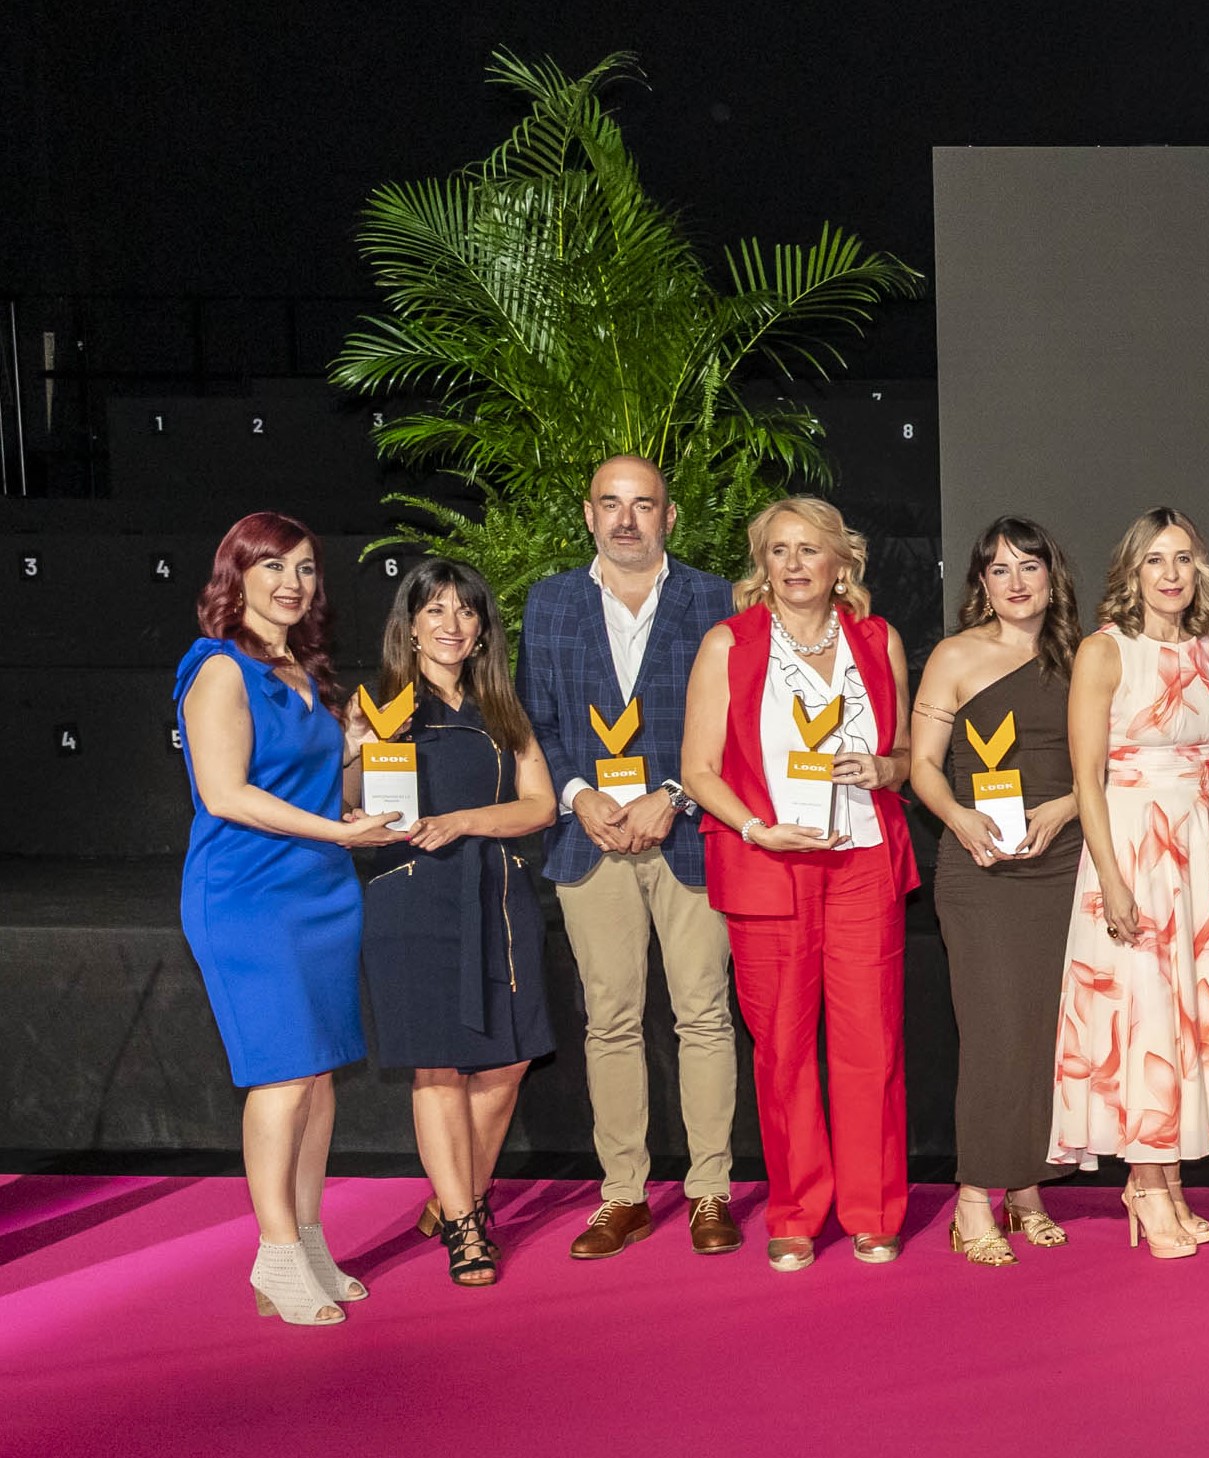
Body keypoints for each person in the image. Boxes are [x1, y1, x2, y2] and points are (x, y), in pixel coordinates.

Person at [679, 498, 915, 1271]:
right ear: (763, 564)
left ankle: (874, 1208)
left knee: (869, 1044)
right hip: (768, 864)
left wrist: (884, 769)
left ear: (840, 561)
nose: (793, 563)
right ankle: (794, 1211)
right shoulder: (728, 645)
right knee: (782, 1050)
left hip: (861, 861)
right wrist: (754, 828)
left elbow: (906, 755)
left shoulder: (879, 642)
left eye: (809, 549)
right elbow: (698, 771)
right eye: (778, 550)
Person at [176, 513, 400, 1324]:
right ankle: (273, 1255)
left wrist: (361, 754)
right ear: (235, 576)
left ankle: (305, 1242)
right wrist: (341, 830)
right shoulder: (219, 669)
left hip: (322, 892)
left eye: (304, 568)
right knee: (280, 1074)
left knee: (318, 1075)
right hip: (247, 897)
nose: (291, 583)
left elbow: (326, 796)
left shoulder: (305, 673)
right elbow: (227, 793)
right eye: (272, 566)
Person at [519, 455, 742, 1262]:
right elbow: (534, 723)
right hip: (593, 840)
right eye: (610, 504)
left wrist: (675, 792)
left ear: (668, 518)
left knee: (703, 1015)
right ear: (587, 514)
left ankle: (708, 1190)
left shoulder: (717, 600)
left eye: (642, 505)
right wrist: (579, 795)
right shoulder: (549, 603)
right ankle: (623, 1197)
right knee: (609, 1022)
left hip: (689, 835)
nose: (625, 520)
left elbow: (739, 724)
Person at [1051, 508, 1209, 1256]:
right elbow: (1084, 778)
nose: (1170, 574)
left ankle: (1167, 1178)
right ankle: (1144, 1186)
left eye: (1182, 560)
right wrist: (1111, 880)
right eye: (1154, 561)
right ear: (1131, 574)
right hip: (1134, 845)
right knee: (1142, 1016)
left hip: (1206, 848)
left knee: (1188, 1017)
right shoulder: (1105, 652)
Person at [346, 560, 558, 1288]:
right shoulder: (377, 702)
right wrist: (355, 748)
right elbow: (343, 801)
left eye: (465, 613)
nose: (450, 625)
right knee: (437, 1065)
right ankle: (468, 1224)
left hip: (496, 890)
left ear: (481, 632)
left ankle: (452, 1193)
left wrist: (465, 820)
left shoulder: (504, 708)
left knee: (507, 1061)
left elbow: (539, 807)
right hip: (409, 897)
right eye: (434, 610)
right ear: (409, 624)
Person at [910, 517, 1087, 1266]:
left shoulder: (1087, 655)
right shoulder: (954, 656)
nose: (1016, 582)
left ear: (1053, 575)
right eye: (998, 570)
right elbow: (920, 763)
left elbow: (1113, 763)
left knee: (1048, 1034)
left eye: (1028, 567)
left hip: (1062, 862)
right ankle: (975, 1197)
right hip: (979, 870)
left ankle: (1027, 1189)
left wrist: (1069, 804)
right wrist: (955, 814)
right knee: (993, 1034)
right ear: (980, 583)